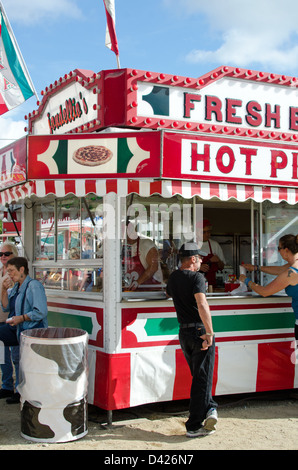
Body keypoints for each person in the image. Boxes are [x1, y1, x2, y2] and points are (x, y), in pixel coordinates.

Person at [166, 242, 218, 438]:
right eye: (200, 258)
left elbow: (168, 293)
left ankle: (211, 409)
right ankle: (194, 425)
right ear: (193, 259)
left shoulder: (173, 277)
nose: (202, 260)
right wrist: (210, 332)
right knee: (202, 378)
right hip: (199, 331)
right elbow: (202, 302)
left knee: (199, 377)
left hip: (183, 334)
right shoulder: (198, 277)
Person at [240, 234, 298, 341]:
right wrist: (257, 268)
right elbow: (279, 269)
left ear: (286, 250)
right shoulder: (294, 266)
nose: (278, 252)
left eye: (278, 248)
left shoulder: (292, 273)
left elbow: (265, 292)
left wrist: (246, 281)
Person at [0, 256, 48, 348]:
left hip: (30, 331)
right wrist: (4, 290)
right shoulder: (16, 286)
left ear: (21, 269)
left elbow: (41, 312)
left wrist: (21, 318)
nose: (9, 274)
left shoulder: (34, 286)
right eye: (8, 271)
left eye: (11, 270)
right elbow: (6, 308)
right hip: (16, 329)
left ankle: (5, 362)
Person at [0, 242, 19, 403]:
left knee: (16, 356)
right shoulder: (1, 272)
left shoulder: (16, 274)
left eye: (6, 254)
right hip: (1, 319)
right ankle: (7, 385)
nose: (3, 257)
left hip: (12, 320)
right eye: (1, 254)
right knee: (2, 357)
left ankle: (19, 388)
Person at [200, 219, 226, 288]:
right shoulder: (192, 245)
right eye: (203, 232)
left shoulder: (214, 245)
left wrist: (218, 261)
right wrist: (199, 267)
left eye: (208, 232)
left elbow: (222, 267)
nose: (207, 234)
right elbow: (184, 268)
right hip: (195, 283)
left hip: (211, 285)